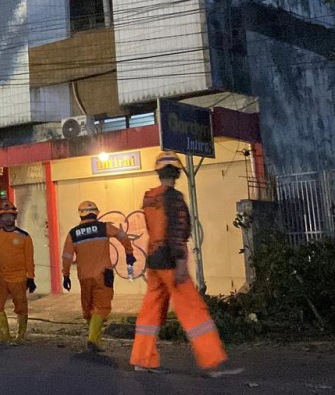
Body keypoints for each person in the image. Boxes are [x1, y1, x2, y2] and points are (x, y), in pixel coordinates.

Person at [130, 152, 242, 377]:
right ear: (177, 173)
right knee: (193, 310)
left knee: (150, 312)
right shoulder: (175, 198)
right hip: (171, 262)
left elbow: (155, 230)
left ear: (159, 172)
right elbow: (177, 230)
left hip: (154, 262)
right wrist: (180, 261)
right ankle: (213, 361)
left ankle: (142, 359)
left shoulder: (149, 198)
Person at [62, 200, 135, 352]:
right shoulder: (104, 227)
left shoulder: (73, 233)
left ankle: (95, 339)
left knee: (88, 308)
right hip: (103, 275)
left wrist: (66, 275)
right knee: (101, 307)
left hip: (84, 277)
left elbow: (67, 256)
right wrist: (129, 253)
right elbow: (122, 236)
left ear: (80, 214)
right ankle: (93, 340)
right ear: (96, 212)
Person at [0, 201, 35, 345]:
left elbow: (29, 258)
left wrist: (30, 278)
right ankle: (4, 335)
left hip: (18, 277)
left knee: (21, 306)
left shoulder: (24, 236)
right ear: (1, 218)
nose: (7, 219)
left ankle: (21, 336)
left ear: (15, 217)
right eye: (4, 216)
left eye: (10, 216)